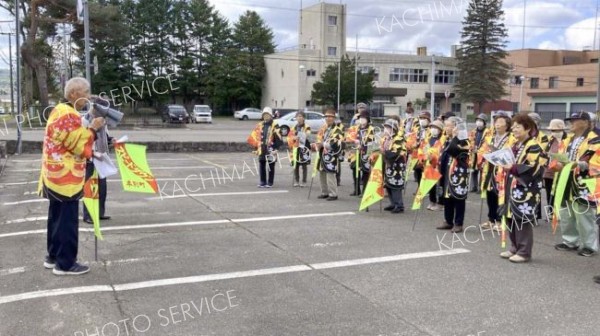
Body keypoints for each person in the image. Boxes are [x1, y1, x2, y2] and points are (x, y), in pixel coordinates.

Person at [38, 77, 105, 275]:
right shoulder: (69, 114)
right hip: (66, 176)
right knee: (67, 220)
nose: (88, 96)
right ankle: (65, 263)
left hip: (53, 174)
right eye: (85, 92)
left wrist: (88, 120)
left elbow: (71, 132)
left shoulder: (60, 110)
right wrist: (94, 128)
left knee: (56, 217)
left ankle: (53, 256)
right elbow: (77, 144)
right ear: (74, 94)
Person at [497, 114, 546, 263]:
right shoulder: (516, 145)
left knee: (522, 219)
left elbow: (534, 168)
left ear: (528, 128)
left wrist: (512, 167)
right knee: (511, 216)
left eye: (518, 126)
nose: (514, 129)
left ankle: (524, 252)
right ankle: (515, 247)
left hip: (525, 188)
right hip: (513, 185)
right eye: (513, 126)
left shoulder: (534, 146)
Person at [553, 111, 600, 257]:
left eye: (575, 120)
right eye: (570, 120)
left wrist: (577, 164)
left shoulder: (595, 140)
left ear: (586, 122)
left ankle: (589, 245)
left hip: (584, 182)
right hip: (566, 179)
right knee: (566, 212)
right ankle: (570, 241)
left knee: (584, 214)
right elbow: (560, 157)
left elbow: (594, 162)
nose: (571, 123)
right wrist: (557, 164)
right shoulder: (568, 140)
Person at [480, 112, 515, 232]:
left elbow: (511, 153)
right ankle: (491, 219)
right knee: (490, 194)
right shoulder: (490, 137)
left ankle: (500, 220)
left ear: (507, 125)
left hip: (502, 170)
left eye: (500, 122)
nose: (497, 125)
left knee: (501, 195)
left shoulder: (511, 138)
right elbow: (482, 150)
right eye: (496, 122)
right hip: (490, 169)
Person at [82, 98, 115, 224]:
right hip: (90, 159)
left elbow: (105, 137)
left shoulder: (102, 122)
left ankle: (100, 213)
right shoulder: (85, 121)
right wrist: (93, 153)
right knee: (90, 188)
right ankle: (88, 215)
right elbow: (83, 141)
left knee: (102, 188)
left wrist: (112, 140)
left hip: (102, 158)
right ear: (95, 108)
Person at [436, 117, 470, 233]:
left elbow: (454, 151)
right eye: (445, 125)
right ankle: (448, 221)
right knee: (447, 197)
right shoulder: (446, 139)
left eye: (449, 126)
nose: (446, 128)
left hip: (458, 173)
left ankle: (458, 223)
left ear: (456, 127)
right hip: (446, 171)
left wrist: (455, 137)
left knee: (458, 198)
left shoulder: (463, 140)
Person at [313, 108, 344, 201]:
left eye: (330, 117)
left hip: (332, 155)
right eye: (326, 117)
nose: (328, 118)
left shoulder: (337, 129)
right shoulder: (324, 128)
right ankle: (324, 192)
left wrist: (323, 144)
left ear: (334, 118)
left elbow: (335, 144)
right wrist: (317, 144)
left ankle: (333, 194)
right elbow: (318, 138)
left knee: (330, 174)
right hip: (322, 153)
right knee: (321, 173)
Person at [248, 107, 282, 188]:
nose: (265, 116)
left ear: (270, 115)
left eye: (267, 114)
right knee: (262, 165)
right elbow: (255, 136)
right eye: (264, 115)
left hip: (271, 149)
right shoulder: (260, 125)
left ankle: (270, 182)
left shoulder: (275, 125)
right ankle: (262, 181)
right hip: (262, 148)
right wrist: (256, 148)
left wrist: (276, 149)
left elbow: (279, 137)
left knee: (271, 166)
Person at [418, 119, 445, 211]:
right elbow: (422, 150)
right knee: (430, 185)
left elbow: (442, 153)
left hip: (439, 166)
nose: (433, 129)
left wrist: (434, 158)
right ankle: (432, 201)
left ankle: (440, 203)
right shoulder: (428, 139)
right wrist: (423, 158)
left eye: (436, 128)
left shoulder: (443, 140)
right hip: (428, 166)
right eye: (432, 127)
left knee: (440, 186)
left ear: (440, 130)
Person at [346, 109, 375, 196]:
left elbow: (371, 142)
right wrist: (354, 141)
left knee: (366, 172)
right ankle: (356, 189)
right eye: (360, 118)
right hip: (355, 153)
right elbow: (349, 138)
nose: (361, 120)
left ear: (368, 119)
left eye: (364, 118)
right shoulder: (355, 128)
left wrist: (362, 145)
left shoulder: (371, 129)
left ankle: (365, 191)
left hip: (365, 153)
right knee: (355, 170)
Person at [381, 119, 407, 213]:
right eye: (385, 127)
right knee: (388, 185)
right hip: (389, 165)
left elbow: (395, 153)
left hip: (397, 166)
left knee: (396, 185)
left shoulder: (399, 139)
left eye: (388, 127)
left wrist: (384, 152)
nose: (386, 129)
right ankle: (393, 203)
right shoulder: (387, 139)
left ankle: (399, 205)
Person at [542, 119, 566, 214]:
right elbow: (543, 153)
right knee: (549, 192)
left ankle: (560, 212)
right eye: (552, 130)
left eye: (557, 130)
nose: (554, 133)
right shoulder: (549, 140)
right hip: (549, 171)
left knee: (560, 192)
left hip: (562, 171)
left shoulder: (567, 140)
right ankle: (551, 212)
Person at [469, 113, 493, 193]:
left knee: (482, 170)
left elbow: (487, 143)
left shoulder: (488, 132)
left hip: (482, 155)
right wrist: (472, 148)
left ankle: (480, 187)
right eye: (477, 120)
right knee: (473, 170)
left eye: (480, 120)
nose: (478, 122)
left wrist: (479, 151)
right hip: (474, 154)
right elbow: (470, 140)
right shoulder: (473, 131)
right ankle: (474, 186)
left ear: (484, 122)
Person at [288, 111, 311, 187]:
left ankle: (304, 181)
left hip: (304, 147)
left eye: (301, 116)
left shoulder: (307, 126)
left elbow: (307, 134)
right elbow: (289, 137)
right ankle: (296, 180)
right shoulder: (294, 127)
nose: (299, 118)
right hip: (296, 147)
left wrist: (299, 136)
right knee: (296, 164)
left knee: (304, 165)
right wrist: (293, 138)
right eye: (298, 116)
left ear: (304, 118)